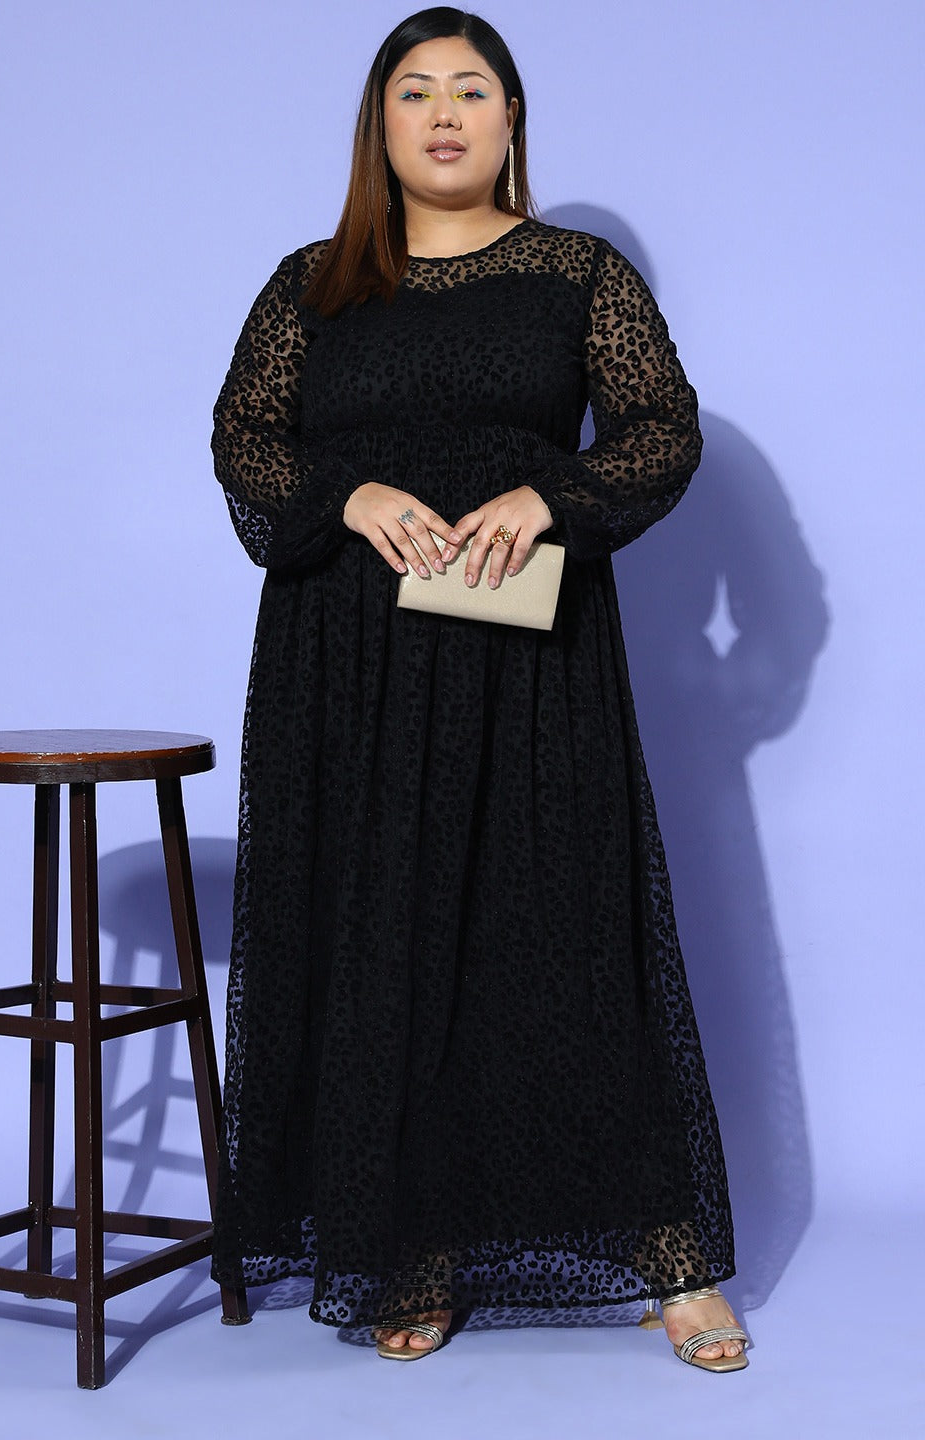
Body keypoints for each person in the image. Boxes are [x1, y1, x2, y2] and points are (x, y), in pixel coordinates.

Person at [211, 6, 749, 1372]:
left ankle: (669, 1256)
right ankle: (415, 1244)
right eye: (415, 90)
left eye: (471, 89)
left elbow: (663, 431)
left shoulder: (577, 275)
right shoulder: (313, 286)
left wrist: (548, 493)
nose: (444, 113)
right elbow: (244, 440)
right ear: (378, 123)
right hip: (349, 664)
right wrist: (353, 493)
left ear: (510, 118)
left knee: (566, 936)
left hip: (527, 661)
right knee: (380, 943)